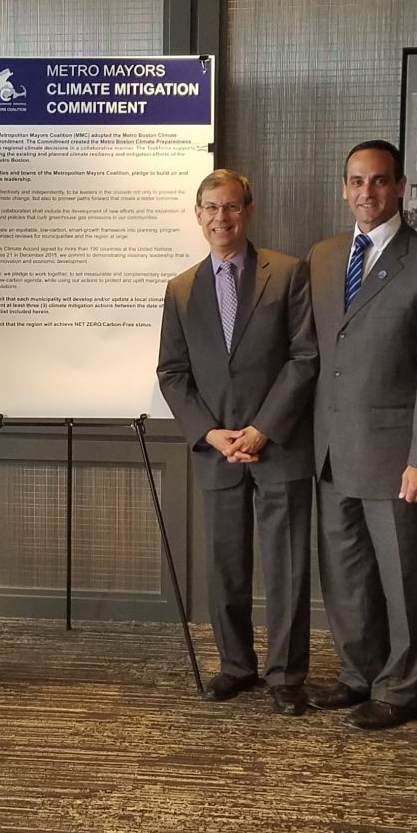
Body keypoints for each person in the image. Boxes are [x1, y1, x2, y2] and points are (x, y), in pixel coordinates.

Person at [305, 139, 417, 730]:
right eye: (355, 181)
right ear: (344, 187)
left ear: (400, 186)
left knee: (405, 579)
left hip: (399, 456)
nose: (366, 193)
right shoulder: (323, 257)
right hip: (331, 451)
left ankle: (401, 688)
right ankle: (358, 674)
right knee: (345, 576)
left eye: (378, 181)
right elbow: (319, 355)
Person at [156, 168, 318, 714]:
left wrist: (262, 427)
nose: (221, 218)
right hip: (217, 449)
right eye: (210, 208)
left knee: (287, 566)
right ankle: (235, 665)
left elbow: (304, 357)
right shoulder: (180, 289)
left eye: (231, 207)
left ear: (248, 211)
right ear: (198, 215)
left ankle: (286, 675)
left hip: (279, 443)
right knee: (226, 565)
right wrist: (210, 432)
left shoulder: (289, 271)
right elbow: (172, 373)